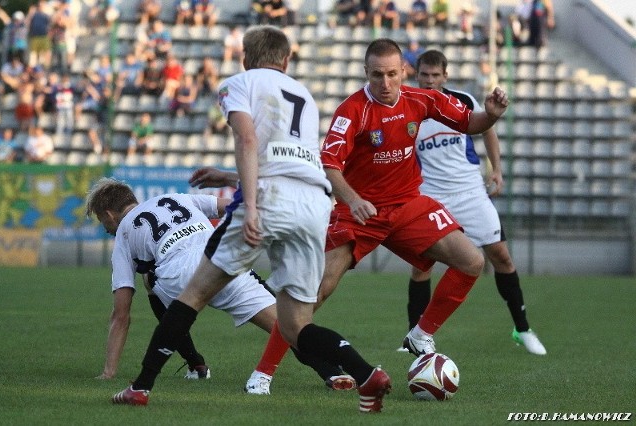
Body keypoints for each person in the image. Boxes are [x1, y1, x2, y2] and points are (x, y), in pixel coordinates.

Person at [111, 26, 391, 413]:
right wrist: (229, 177)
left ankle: (140, 387)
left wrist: (253, 208)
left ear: (245, 57)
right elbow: (290, 160)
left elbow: (248, 141)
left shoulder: (238, 83)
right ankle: (367, 374)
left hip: (269, 198)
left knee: (192, 295)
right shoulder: (305, 96)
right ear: (287, 60)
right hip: (313, 204)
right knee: (296, 326)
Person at [317, 39, 508, 361]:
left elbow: (469, 123)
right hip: (361, 213)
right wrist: (352, 199)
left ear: (404, 71)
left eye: (393, 74)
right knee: (316, 292)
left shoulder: (422, 99)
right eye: (377, 75)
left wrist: (490, 116)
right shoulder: (351, 111)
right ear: (366, 73)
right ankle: (264, 373)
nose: (386, 83)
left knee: (472, 261)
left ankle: (420, 335)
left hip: (407, 205)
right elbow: (330, 163)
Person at [86, 177, 351, 390]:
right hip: (221, 264)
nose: (105, 227)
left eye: (101, 220)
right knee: (288, 327)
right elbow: (231, 205)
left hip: (179, 279)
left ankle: (195, 365)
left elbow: (121, 314)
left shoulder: (123, 232)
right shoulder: (176, 199)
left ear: (109, 214)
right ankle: (332, 373)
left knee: (151, 282)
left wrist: (109, 372)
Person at [398, 49, 547, 355]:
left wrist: (497, 169)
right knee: (421, 265)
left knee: (501, 256)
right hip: (432, 196)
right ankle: (413, 337)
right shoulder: (408, 106)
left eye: (435, 75)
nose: (428, 81)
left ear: (445, 76)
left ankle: (523, 329)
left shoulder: (462, 100)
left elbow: (487, 128)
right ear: (417, 74)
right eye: (423, 75)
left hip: (470, 192)